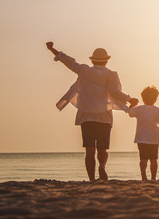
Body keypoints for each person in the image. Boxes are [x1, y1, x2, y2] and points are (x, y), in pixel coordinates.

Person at [46, 41, 138, 182]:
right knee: (103, 149)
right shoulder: (111, 75)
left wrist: (53, 49)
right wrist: (129, 99)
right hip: (104, 117)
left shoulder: (84, 70)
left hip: (86, 116)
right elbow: (115, 93)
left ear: (92, 60)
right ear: (106, 61)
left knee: (89, 150)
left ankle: (91, 179)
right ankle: (102, 166)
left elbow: (68, 61)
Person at [126, 86, 159, 181]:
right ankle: (153, 178)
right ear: (155, 99)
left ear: (143, 98)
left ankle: (143, 176)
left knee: (143, 159)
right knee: (153, 159)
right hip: (153, 139)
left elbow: (130, 113)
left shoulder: (139, 109)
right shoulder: (158, 110)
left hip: (141, 138)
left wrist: (131, 105)